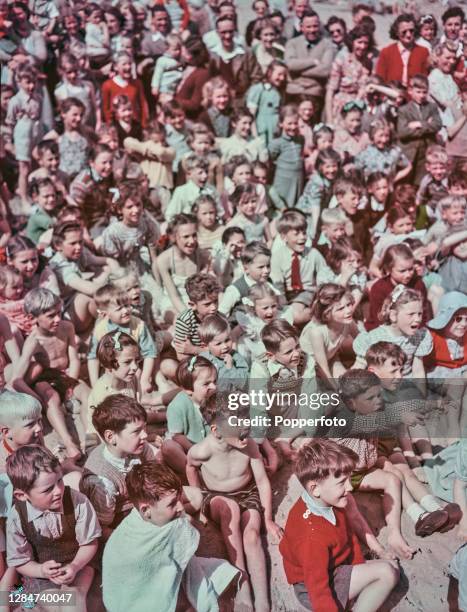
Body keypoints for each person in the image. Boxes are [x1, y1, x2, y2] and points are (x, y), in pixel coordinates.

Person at [279, 438, 399, 611]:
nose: (350, 487)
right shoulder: (311, 537)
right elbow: (318, 589)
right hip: (314, 588)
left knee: (391, 568)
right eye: (342, 482)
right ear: (315, 489)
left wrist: (358, 566)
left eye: (349, 479)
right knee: (388, 573)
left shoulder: (329, 501)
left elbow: (349, 536)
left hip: (333, 568)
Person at [187, 400, 283, 612]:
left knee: (251, 536)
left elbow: (261, 481)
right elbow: (190, 468)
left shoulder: (248, 445)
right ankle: (243, 587)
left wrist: (267, 519)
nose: (245, 428)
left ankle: (263, 599)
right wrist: (197, 499)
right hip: (217, 497)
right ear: (216, 430)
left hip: (247, 493)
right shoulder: (201, 451)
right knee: (229, 508)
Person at [103, 461, 238, 612]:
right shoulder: (125, 540)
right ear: (146, 510)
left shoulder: (169, 523)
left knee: (223, 571)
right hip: (142, 599)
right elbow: (122, 589)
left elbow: (189, 567)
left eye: (179, 498)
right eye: (172, 503)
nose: (181, 507)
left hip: (167, 580)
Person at [6, 445, 101, 608]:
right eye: (48, 489)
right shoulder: (17, 517)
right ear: (22, 495)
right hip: (42, 574)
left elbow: (90, 543)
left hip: (79, 563)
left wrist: (74, 566)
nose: (58, 490)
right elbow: (19, 561)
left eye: (60, 481)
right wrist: (41, 570)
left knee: (73, 600)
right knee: (56, 604)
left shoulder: (77, 501)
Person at [80, 394, 158, 538]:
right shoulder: (103, 481)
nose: (145, 435)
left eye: (145, 428)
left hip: (141, 500)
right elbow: (102, 526)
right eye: (136, 431)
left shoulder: (138, 447)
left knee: (192, 498)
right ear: (111, 437)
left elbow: (154, 476)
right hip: (119, 517)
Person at [161, 356, 216, 474]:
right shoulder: (177, 406)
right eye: (206, 384)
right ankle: (196, 476)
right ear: (188, 389)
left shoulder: (216, 398)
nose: (214, 387)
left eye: (215, 381)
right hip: (189, 447)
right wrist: (197, 451)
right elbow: (177, 436)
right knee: (168, 448)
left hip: (214, 448)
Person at [300, 283, 358, 389]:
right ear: (327, 314)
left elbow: (363, 342)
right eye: (340, 309)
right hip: (308, 369)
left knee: (349, 384)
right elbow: (323, 368)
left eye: (349, 304)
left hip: (330, 359)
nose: (348, 311)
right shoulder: (317, 332)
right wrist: (337, 392)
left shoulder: (348, 321)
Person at [396, 74, 443, 185]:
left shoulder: (431, 107)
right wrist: (428, 125)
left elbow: (437, 125)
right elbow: (403, 132)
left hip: (427, 150)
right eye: (418, 92)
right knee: (407, 182)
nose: (422, 95)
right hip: (409, 152)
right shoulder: (404, 109)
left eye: (424, 92)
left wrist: (419, 124)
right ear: (410, 91)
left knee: (423, 181)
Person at [284, 9, 334, 109]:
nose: (312, 30)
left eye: (315, 26)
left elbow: (325, 70)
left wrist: (297, 71)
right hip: (294, 89)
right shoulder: (292, 43)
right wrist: (313, 62)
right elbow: (290, 65)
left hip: (314, 91)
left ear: (319, 26)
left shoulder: (327, 44)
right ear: (302, 27)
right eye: (308, 27)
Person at [325, 25, 373, 124]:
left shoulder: (368, 63)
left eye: (366, 43)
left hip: (360, 107)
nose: (362, 46)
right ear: (352, 42)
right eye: (359, 42)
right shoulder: (342, 60)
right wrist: (329, 120)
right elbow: (330, 91)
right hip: (341, 108)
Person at [173, 272, 221, 359]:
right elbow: (180, 355)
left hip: (215, 360)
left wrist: (195, 350)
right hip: (192, 362)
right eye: (207, 304)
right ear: (193, 305)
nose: (214, 307)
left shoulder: (220, 318)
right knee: (167, 366)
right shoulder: (185, 321)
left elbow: (224, 349)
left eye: (216, 301)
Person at [199, 312, 249, 391]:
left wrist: (231, 367)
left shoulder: (236, 358)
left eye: (227, 340)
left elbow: (243, 384)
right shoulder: (203, 359)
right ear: (206, 346)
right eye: (218, 344)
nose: (225, 346)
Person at [376, 14, 429, 87]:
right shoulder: (386, 52)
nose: (408, 35)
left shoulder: (423, 52)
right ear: (397, 32)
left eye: (411, 31)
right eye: (404, 32)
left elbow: (425, 80)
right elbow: (380, 80)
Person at [268, 104, 304, 209]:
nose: (293, 127)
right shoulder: (276, 143)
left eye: (295, 123)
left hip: (298, 179)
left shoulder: (301, 140)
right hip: (283, 179)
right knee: (283, 205)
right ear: (281, 124)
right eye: (289, 124)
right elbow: (272, 161)